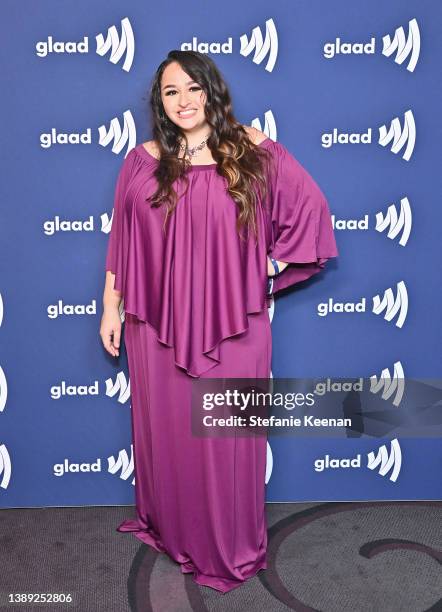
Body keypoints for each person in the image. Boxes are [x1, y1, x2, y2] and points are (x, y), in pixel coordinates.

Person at [100, 49, 338, 593]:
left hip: (233, 326)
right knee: (167, 434)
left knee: (227, 439)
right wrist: (110, 307)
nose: (183, 101)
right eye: (170, 92)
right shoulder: (142, 160)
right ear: (159, 103)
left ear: (211, 91)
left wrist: (259, 271)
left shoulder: (251, 149)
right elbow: (123, 243)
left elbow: (311, 211)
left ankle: (229, 549)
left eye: (192, 88)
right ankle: (174, 533)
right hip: (154, 325)